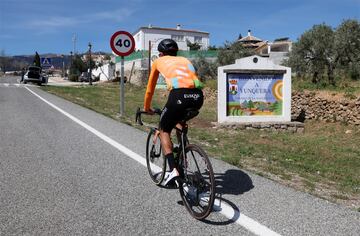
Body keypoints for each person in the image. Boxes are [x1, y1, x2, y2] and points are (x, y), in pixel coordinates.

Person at [143, 39, 204, 186]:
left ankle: (173, 170)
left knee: (164, 130)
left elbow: (150, 89)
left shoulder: (158, 61)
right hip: (198, 96)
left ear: (161, 53)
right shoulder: (184, 59)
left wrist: (146, 107)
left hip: (178, 95)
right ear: (176, 52)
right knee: (179, 121)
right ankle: (183, 154)